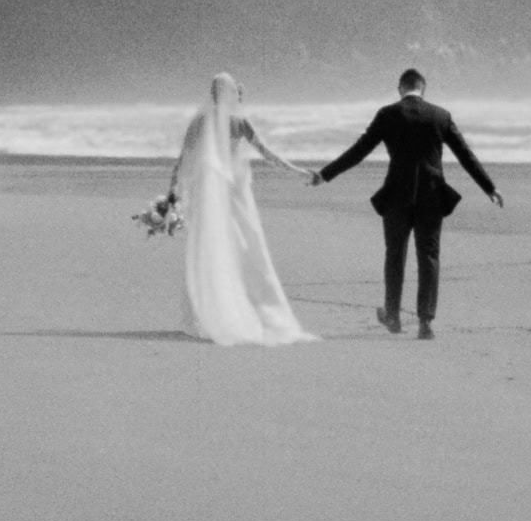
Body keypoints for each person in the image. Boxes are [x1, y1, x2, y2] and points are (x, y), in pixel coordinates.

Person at [311, 69, 502, 339]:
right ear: (423, 88)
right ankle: (425, 323)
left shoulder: (387, 114)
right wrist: (490, 188)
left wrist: (325, 174)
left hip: (397, 196)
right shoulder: (441, 116)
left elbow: (359, 151)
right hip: (432, 197)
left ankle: (393, 317)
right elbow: (465, 156)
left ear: (400, 89)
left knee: (395, 255)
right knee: (429, 257)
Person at [164, 72, 318, 346]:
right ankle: (247, 311)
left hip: (209, 197)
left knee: (207, 251)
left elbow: (183, 159)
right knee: (244, 250)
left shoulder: (200, 121)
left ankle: (202, 314)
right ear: (233, 93)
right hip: (236, 197)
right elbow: (268, 154)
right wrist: (297, 171)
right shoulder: (239, 122)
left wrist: (172, 194)